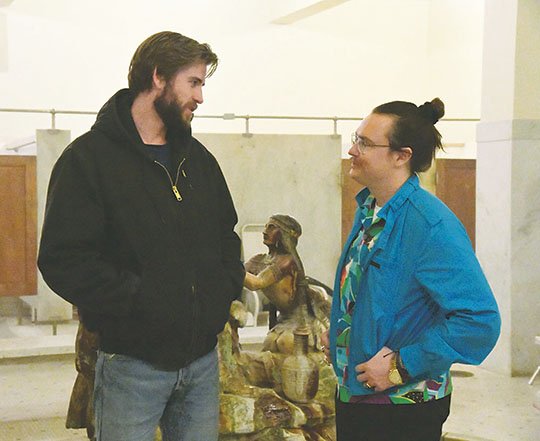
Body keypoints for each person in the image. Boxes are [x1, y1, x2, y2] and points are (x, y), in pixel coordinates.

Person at [38, 31, 244, 441]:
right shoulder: (88, 160)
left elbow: (226, 236)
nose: (200, 97)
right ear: (158, 78)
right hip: (131, 364)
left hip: (202, 361)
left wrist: (221, 295)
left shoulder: (198, 161)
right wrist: (138, 301)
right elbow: (63, 260)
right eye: (194, 83)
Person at [320, 98, 500, 441]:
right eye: (356, 138)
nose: (352, 150)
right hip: (356, 393)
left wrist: (401, 366)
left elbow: (479, 321)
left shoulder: (431, 225)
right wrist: (344, 330)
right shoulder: (371, 209)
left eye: (365, 143)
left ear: (402, 156)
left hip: (401, 408)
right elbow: (378, 294)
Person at [244, 214, 331, 354]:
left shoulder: (287, 261)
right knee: (270, 344)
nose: (264, 231)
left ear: (284, 234)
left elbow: (256, 283)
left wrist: (227, 264)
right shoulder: (259, 260)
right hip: (284, 319)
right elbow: (238, 274)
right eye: (266, 227)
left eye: (271, 227)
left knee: (285, 343)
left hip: (302, 319)